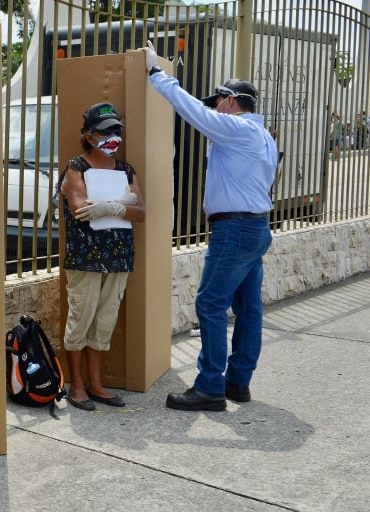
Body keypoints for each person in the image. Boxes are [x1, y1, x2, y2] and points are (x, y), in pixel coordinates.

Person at [141, 41, 277, 411]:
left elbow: (193, 113)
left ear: (231, 102)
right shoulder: (263, 136)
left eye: (218, 101)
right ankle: (237, 383)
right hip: (255, 227)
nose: (214, 107)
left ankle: (209, 387)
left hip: (235, 231)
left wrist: (158, 75)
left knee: (210, 304)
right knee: (248, 309)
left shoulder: (238, 130)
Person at [59, 102, 146, 412]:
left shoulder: (126, 170)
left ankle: (96, 384)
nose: (113, 136)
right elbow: (80, 208)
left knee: (105, 321)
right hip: (86, 258)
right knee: (81, 318)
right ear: (88, 135)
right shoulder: (76, 167)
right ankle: (77, 385)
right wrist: (121, 202)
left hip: (119, 257)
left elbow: (141, 212)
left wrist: (115, 208)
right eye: (105, 131)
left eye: (116, 130)